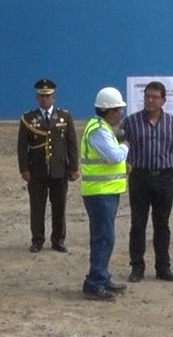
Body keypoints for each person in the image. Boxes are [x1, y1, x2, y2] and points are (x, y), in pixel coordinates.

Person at [121, 81, 173, 282]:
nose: (150, 100)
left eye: (155, 97)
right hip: (140, 177)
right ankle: (137, 267)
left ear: (163, 100)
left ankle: (163, 267)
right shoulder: (131, 122)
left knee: (162, 224)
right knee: (138, 224)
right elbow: (123, 145)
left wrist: (167, 163)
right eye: (147, 96)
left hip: (164, 178)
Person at [75, 87, 129, 301]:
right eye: (118, 110)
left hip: (106, 192)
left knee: (105, 237)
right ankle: (95, 282)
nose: (121, 113)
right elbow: (114, 157)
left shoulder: (102, 127)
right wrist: (126, 146)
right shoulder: (98, 130)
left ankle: (102, 277)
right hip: (99, 194)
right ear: (109, 111)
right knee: (103, 238)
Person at [17, 78, 78, 254]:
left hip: (59, 170)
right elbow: (22, 147)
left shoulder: (64, 117)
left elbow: (71, 143)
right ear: (37, 98)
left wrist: (73, 167)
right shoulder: (28, 118)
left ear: (54, 98)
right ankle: (37, 240)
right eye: (42, 97)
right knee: (37, 207)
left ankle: (58, 240)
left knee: (59, 207)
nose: (45, 100)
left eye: (48, 96)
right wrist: (24, 169)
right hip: (37, 171)